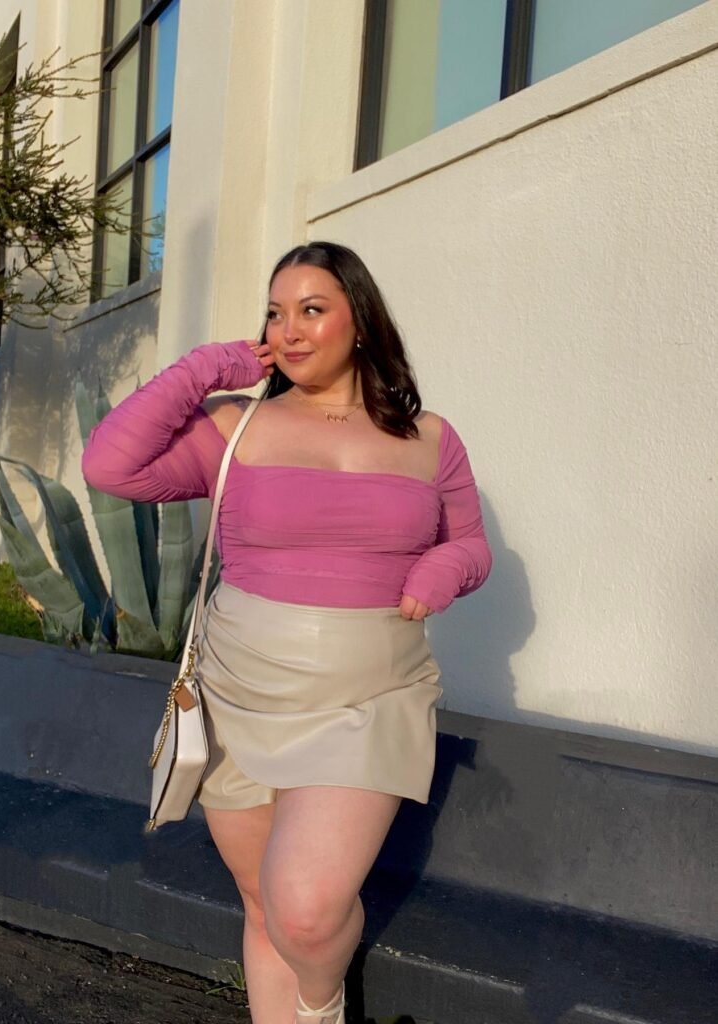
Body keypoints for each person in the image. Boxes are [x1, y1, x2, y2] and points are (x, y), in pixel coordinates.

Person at [82, 241, 492, 1024]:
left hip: (368, 696)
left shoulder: (429, 437)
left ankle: (320, 1002)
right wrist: (204, 369)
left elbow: (469, 543)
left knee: (304, 909)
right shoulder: (236, 426)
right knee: (263, 904)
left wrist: (438, 574)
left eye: (312, 308)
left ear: (360, 322)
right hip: (240, 689)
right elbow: (111, 467)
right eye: (276, 311)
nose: (290, 328)